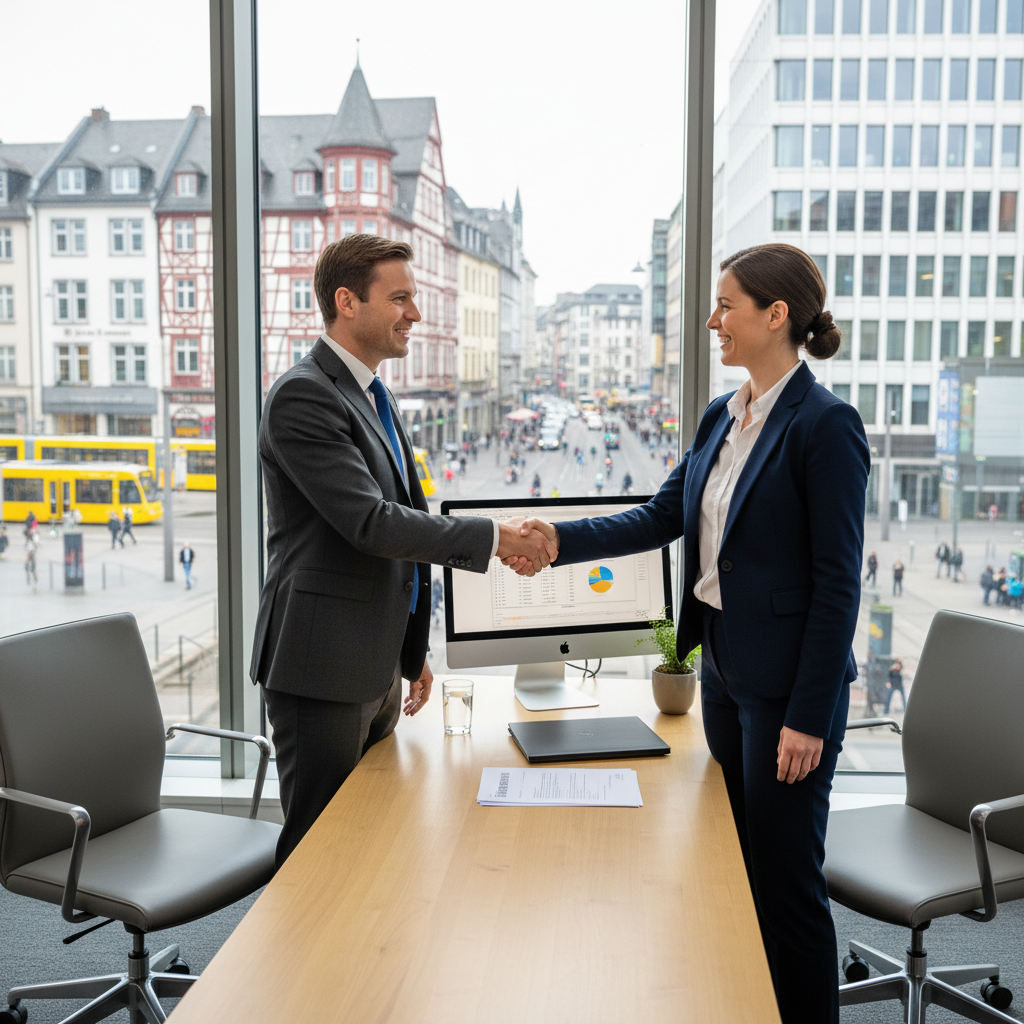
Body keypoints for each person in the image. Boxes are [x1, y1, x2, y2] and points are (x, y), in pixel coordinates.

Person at [504, 243, 868, 1024]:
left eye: (726, 305)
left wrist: (808, 715)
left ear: (777, 316)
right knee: (735, 865)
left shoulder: (825, 425)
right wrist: (561, 541)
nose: (712, 321)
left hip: (789, 694)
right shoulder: (723, 414)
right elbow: (662, 515)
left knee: (788, 884)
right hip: (728, 675)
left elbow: (840, 583)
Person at [249, 234, 555, 868]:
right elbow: (374, 524)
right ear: (347, 302)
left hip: (378, 660)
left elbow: (407, 521)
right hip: (324, 665)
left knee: (369, 835)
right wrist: (497, 538)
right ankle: (300, 969)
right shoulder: (303, 396)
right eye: (401, 298)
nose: (415, 312)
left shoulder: (374, 393)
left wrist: (409, 651)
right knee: (319, 852)